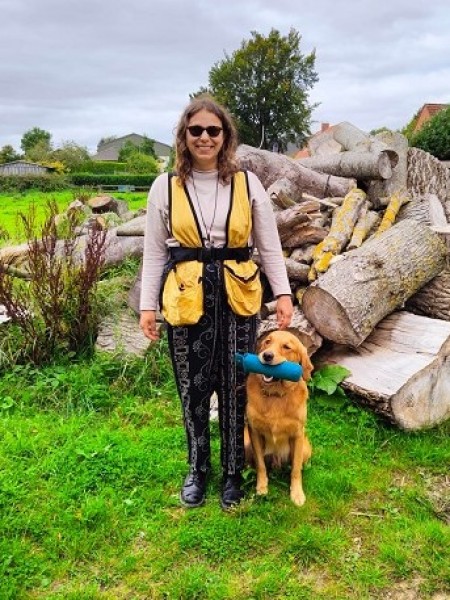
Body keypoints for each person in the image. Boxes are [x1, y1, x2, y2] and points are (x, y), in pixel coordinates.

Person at [139, 96, 293, 510]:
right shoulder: (164, 187)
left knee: (235, 387)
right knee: (192, 387)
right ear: (184, 136)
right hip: (186, 296)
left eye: (213, 130)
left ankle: (232, 473)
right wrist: (147, 306)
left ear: (225, 136)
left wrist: (282, 293)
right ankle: (197, 468)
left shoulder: (247, 183)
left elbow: (269, 245)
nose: (204, 137)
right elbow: (154, 252)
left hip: (238, 297)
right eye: (196, 130)